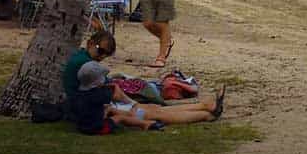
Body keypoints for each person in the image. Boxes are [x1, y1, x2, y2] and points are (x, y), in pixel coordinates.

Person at [71, 60, 225, 134]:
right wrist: (131, 104)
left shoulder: (82, 93)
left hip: (118, 110)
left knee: (158, 109)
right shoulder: (101, 92)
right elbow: (116, 95)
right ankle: (205, 114)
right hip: (122, 111)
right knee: (160, 113)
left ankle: (204, 107)